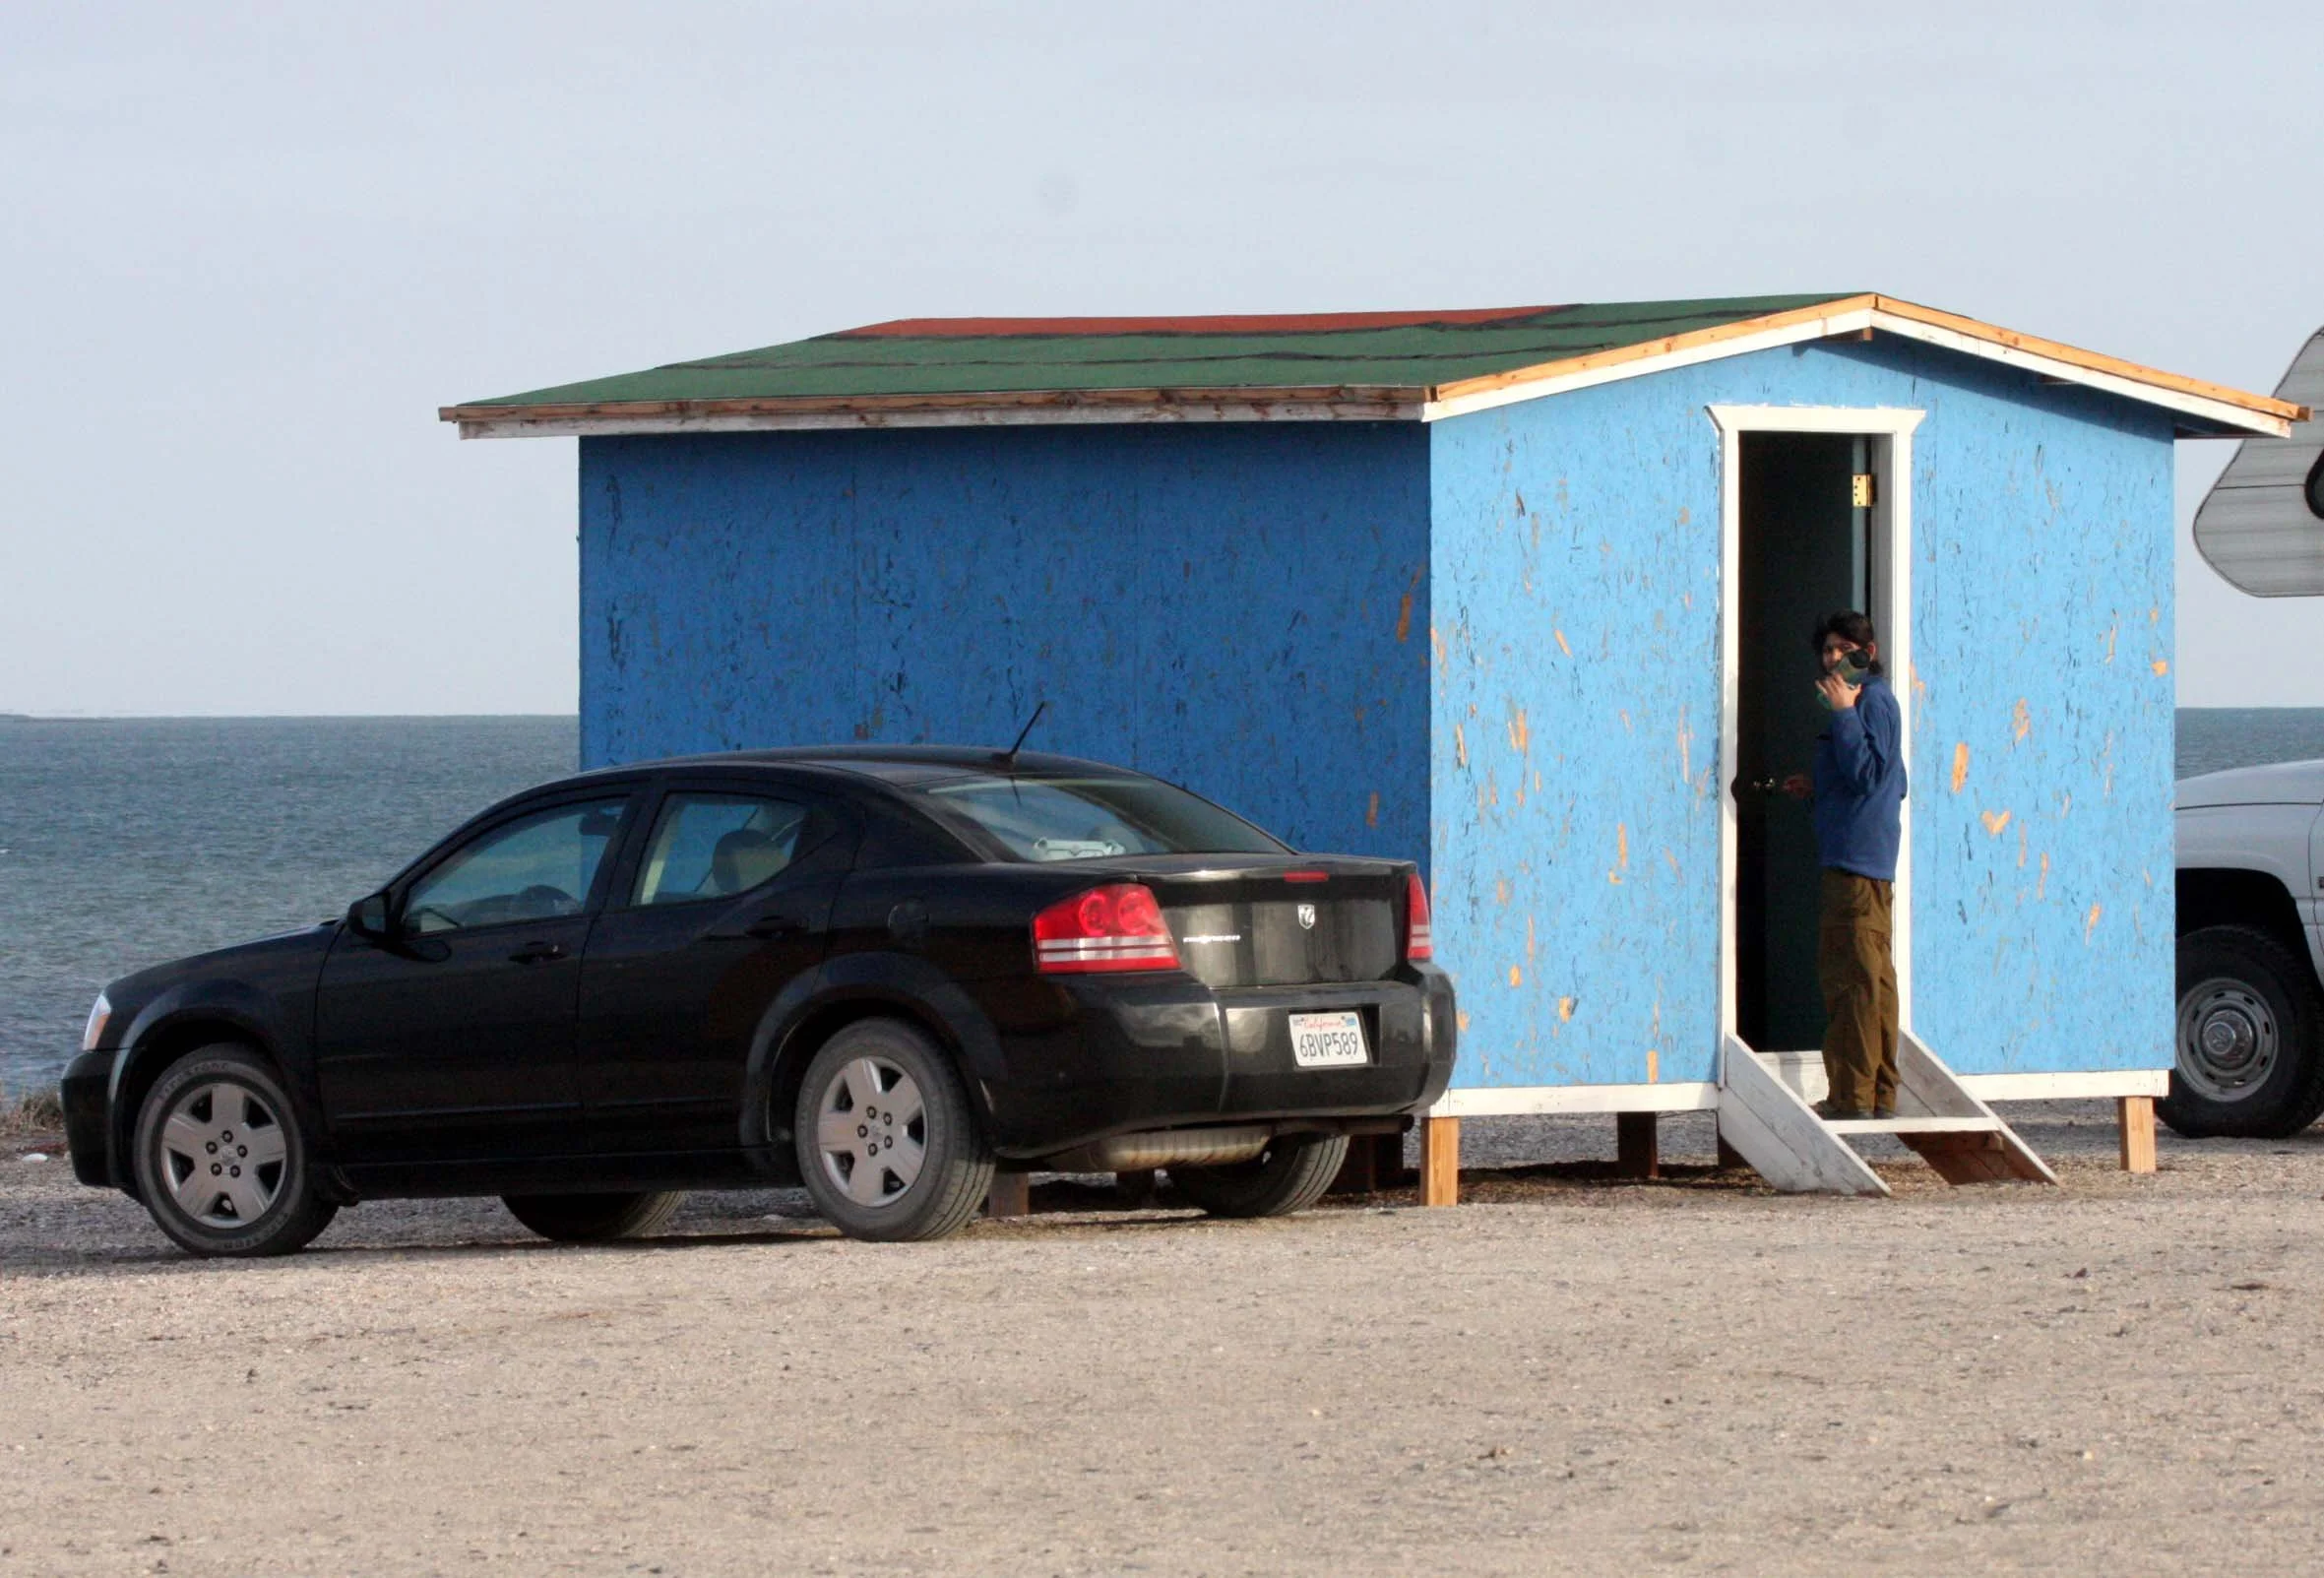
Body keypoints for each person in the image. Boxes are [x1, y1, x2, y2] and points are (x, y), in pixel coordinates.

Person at [1781, 611, 1908, 1120]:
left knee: (1851, 980)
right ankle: (1878, 1093)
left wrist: (1843, 715)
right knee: (1873, 980)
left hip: (1856, 865)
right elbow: (1892, 781)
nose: (1833, 658)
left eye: (1844, 649)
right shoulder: (1873, 703)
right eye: (1828, 649)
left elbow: (1870, 774)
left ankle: (1851, 1097)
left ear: (1867, 653)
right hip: (1863, 857)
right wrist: (1819, 788)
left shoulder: (1867, 701)